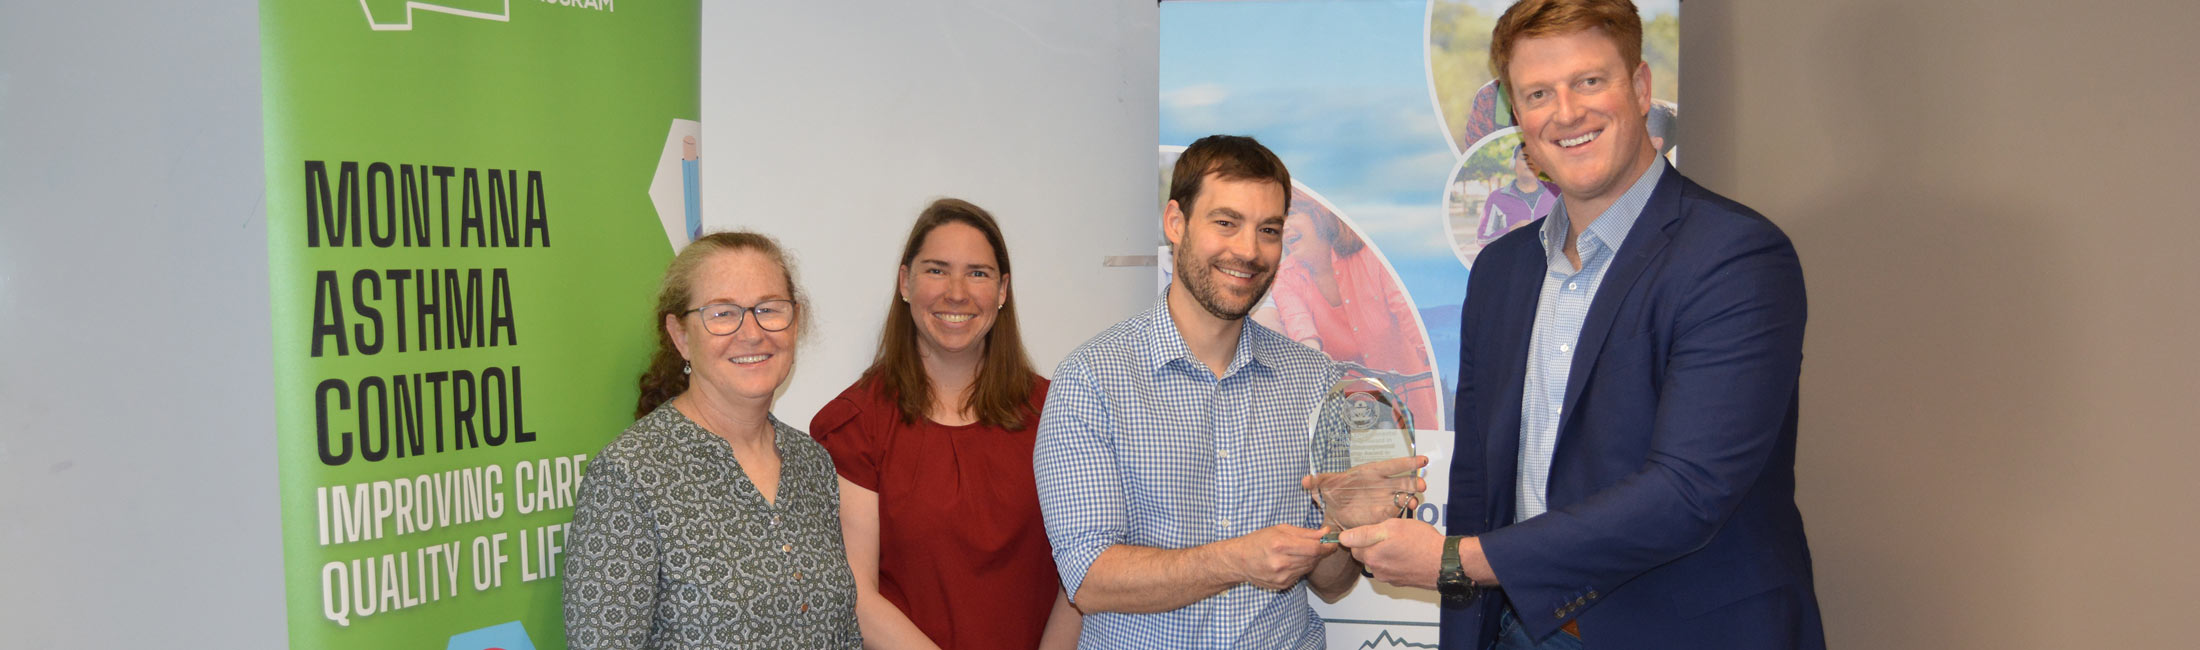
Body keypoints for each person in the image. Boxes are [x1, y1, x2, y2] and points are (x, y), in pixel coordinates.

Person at [1338, 1, 1825, 648]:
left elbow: (1688, 492)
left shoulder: (1734, 257)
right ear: (1519, 121)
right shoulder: (1499, 273)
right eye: (1538, 93)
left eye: (1589, 81)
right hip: (1518, 629)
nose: (1566, 112)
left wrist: (1458, 561)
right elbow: (1482, 490)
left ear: (1642, 87)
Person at [1034, 135, 1367, 649]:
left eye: (1269, 230)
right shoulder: (1091, 381)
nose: (1249, 251)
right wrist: (1238, 559)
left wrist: (1348, 520)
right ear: (1175, 222)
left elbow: (1334, 584)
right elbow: (1089, 579)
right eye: (1226, 222)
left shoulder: (1316, 383)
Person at [564, 231, 860, 650]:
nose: (752, 333)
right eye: (722, 314)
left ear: (795, 322)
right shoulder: (628, 478)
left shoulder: (811, 462)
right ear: (681, 336)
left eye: (769, 309)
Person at [810, 199, 1081, 650]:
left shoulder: (1061, 412)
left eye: (978, 273)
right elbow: (858, 596)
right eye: (936, 270)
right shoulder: (855, 425)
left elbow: (1080, 578)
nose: (957, 292)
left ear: (1002, 290)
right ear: (905, 283)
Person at [1272, 201, 1442, 427]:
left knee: (1425, 454)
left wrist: (1435, 361)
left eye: (1291, 214)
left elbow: (1407, 313)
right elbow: (1298, 325)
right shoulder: (1284, 277)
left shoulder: (1370, 255)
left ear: (1319, 215)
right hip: (1355, 408)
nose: (1283, 228)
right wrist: (1313, 360)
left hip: (1409, 393)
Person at [1479, 145, 1557, 245]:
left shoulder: (1557, 194)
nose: (1530, 162)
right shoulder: (1497, 198)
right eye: (1524, 158)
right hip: (1511, 260)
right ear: (1513, 163)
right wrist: (1512, 230)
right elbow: (1482, 240)